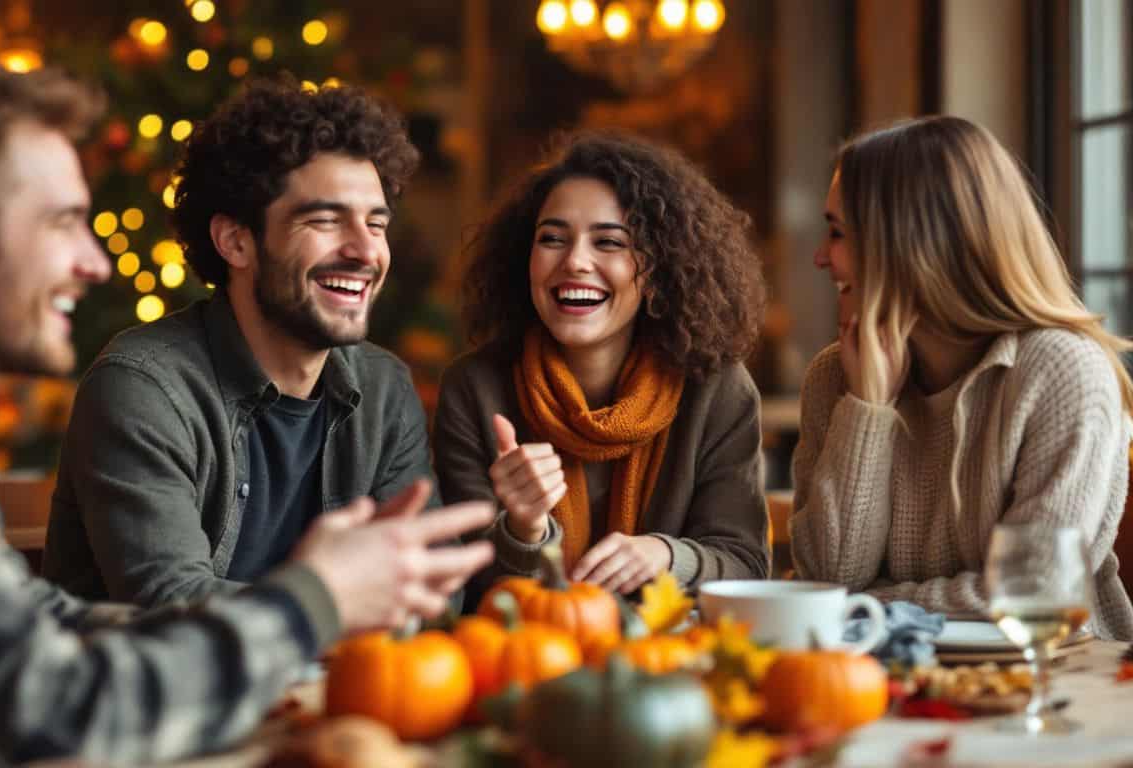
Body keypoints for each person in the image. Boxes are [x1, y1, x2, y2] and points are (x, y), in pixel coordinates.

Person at [0, 51, 494, 767]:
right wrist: (313, 603)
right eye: (63, 223)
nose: (94, 262)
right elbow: (51, 713)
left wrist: (313, 608)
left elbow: (39, 624)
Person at [43, 76, 442, 606]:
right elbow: (169, 600)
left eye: (376, 223)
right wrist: (334, 601)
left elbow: (429, 585)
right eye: (325, 220)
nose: (366, 251)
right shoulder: (144, 388)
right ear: (236, 241)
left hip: (344, 688)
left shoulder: (384, 387)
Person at [791, 115, 1133, 640]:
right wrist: (868, 409)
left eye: (837, 233)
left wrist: (874, 606)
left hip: (1053, 686)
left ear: (908, 245)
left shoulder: (1061, 371)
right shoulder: (835, 377)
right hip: (884, 682)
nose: (820, 257)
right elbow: (828, 580)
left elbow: (1035, 595)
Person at [434, 132, 770, 603]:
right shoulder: (476, 388)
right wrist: (524, 530)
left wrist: (666, 556)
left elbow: (748, 566)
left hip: (674, 664)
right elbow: (461, 592)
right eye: (552, 238)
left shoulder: (715, 387)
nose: (575, 262)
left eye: (609, 242)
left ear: (658, 267)